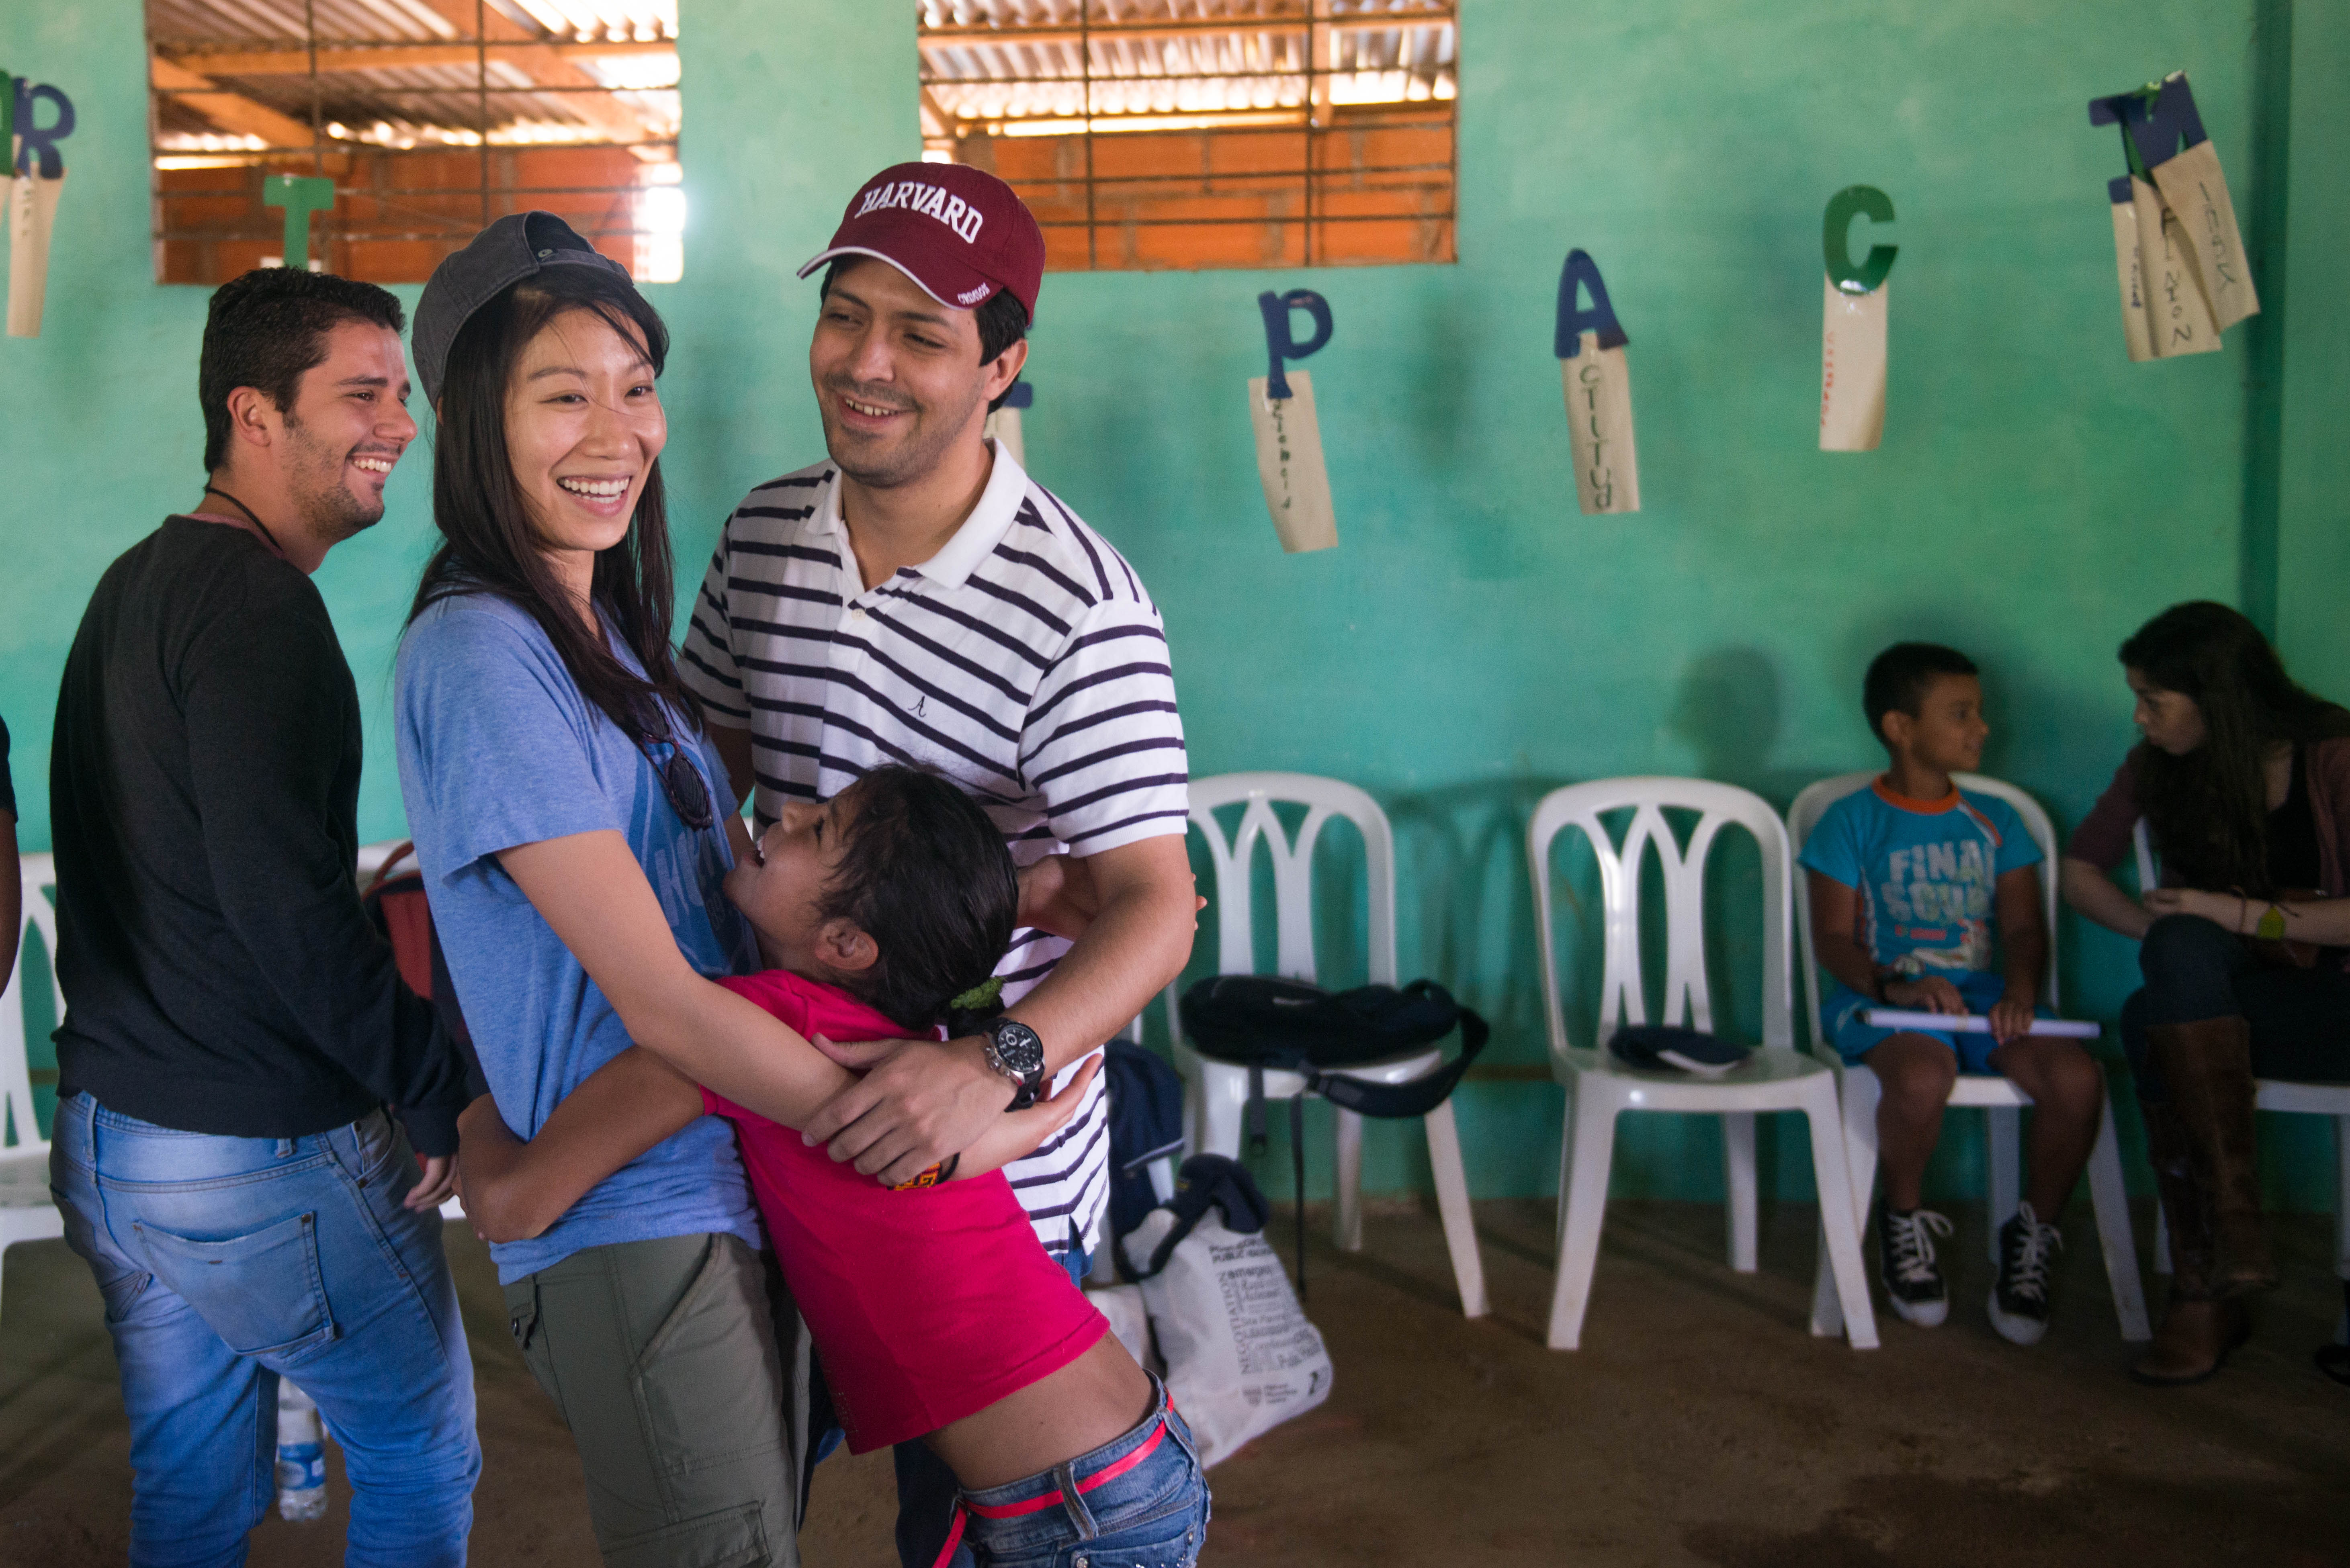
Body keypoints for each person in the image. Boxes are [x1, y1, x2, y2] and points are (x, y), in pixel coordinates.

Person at [675, 161, 1199, 1568]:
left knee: (969, 1526)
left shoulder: (1079, 606)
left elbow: (1158, 905)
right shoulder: (764, 532)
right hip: (775, 1117)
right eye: (845, 316)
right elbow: (701, 770)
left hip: (976, 1172)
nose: (863, 363)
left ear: (1003, 367)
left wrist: (997, 1066)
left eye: (921, 334)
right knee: (734, 1485)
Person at [458, 765, 1211, 1568]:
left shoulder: (744, 1032)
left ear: (847, 944)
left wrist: (468, 1113)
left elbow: (512, 1206)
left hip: (1078, 1505)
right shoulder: (901, 1036)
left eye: (818, 828)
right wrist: (1022, 889)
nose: (784, 810)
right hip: (1107, 1469)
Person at [47, 268, 479, 1567]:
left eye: (400, 394)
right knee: (421, 1453)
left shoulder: (138, 583)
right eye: (359, 394)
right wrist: (428, 1084)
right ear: (254, 413)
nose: (398, 424)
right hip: (253, 1157)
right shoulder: (256, 609)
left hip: (113, 1142)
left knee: (190, 1487)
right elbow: (287, 911)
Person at [2059, 601, 2350, 1385]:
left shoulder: (2333, 751)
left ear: (2216, 696)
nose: (2138, 716)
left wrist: (2227, 909)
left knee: (2149, 1015)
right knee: (2173, 964)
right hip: (2222, 1008)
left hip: (2335, 1005)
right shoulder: (2156, 763)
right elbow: (2079, 869)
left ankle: (2205, 1280)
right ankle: (2225, 1248)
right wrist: (2160, 932)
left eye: (2154, 700)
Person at [1801, 643, 2104, 1345]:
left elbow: (2025, 927)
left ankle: (2032, 1237)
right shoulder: (1851, 822)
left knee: (2077, 1082)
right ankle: (1902, 1220)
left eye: (1980, 712)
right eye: (1960, 714)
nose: (1982, 728)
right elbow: (1834, 942)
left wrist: (2021, 992)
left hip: (1987, 999)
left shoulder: (1997, 818)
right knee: (1920, 1076)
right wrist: (1896, 987)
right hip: (1884, 1002)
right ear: (1900, 727)